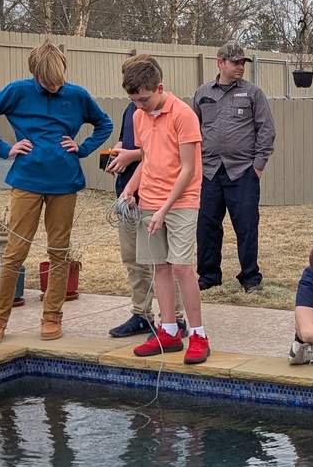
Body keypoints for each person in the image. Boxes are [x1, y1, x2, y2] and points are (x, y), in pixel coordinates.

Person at [0, 42, 113, 346]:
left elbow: (104, 123)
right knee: (14, 252)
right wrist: (4, 149)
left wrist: (84, 148)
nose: (54, 85)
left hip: (65, 183)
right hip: (26, 181)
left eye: (58, 80)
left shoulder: (77, 94)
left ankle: (52, 316)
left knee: (59, 251)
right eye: (48, 81)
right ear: (35, 74)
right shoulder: (16, 91)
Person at [120, 60, 209, 364]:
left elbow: (188, 169)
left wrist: (164, 209)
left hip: (182, 202)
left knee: (182, 266)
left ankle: (198, 334)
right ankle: (168, 330)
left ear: (159, 88)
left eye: (143, 99)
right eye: (133, 101)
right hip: (149, 201)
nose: (139, 106)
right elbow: (147, 159)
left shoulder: (183, 115)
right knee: (159, 266)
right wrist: (130, 190)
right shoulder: (138, 116)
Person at [105, 54, 185, 338]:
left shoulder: (169, 111)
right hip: (128, 192)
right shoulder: (134, 109)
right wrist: (119, 152)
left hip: (156, 195)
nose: (137, 102)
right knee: (134, 259)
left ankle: (174, 318)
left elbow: (159, 151)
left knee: (162, 261)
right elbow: (132, 141)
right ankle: (141, 314)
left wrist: (132, 156)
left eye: (140, 96)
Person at [193, 41, 275, 293]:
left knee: (247, 226)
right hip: (208, 171)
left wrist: (257, 166)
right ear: (220, 63)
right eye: (235, 62)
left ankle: (250, 278)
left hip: (242, 172)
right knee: (206, 226)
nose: (240, 67)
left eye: (242, 63)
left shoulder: (252, 93)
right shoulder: (203, 93)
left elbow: (267, 130)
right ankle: (208, 276)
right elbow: (192, 131)